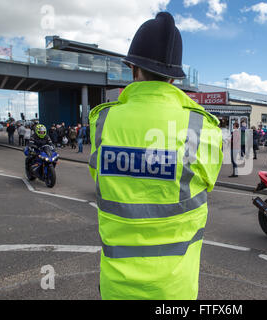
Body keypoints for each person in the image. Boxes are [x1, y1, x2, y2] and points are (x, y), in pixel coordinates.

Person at [88, 12, 223, 300]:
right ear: (174, 77)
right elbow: (207, 182)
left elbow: (99, 178)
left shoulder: (101, 122)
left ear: (132, 67)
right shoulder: (203, 127)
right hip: (176, 291)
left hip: (116, 288)